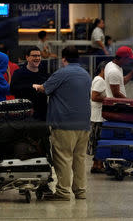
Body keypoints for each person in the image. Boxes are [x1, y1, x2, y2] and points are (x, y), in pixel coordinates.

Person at [33, 46, 91, 201]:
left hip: (65, 123)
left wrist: (36, 87)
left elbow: (45, 89)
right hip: (84, 124)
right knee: (79, 159)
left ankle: (63, 192)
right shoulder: (86, 74)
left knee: (63, 157)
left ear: (63, 58)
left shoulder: (62, 73)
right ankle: (80, 191)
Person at [10, 47, 49, 121]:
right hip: (24, 114)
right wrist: (32, 86)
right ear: (27, 57)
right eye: (34, 56)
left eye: (39, 56)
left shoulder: (43, 72)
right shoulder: (18, 73)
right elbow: (13, 90)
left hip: (42, 114)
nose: (37, 58)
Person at [87, 61, 108, 173]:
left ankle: (97, 164)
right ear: (103, 70)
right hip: (99, 117)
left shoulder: (98, 79)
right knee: (99, 141)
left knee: (96, 141)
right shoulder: (100, 80)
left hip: (96, 116)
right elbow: (94, 96)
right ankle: (98, 164)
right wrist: (109, 101)